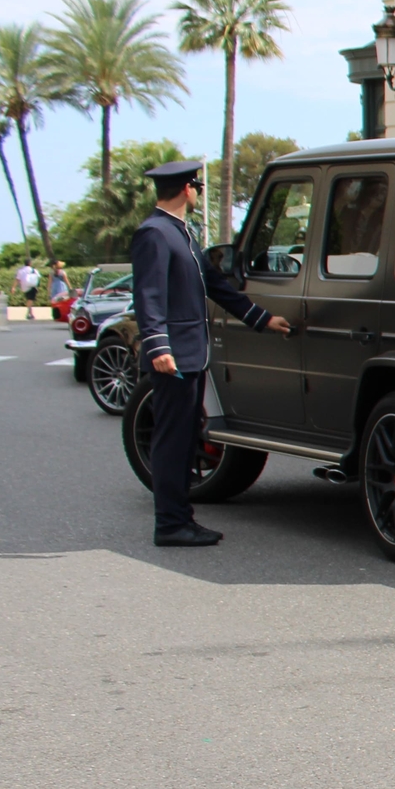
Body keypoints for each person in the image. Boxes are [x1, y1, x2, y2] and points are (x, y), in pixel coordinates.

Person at [129, 159, 291, 547]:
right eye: (197, 187)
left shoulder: (181, 233)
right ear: (187, 189)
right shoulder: (154, 233)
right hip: (173, 356)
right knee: (172, 441)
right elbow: (148, 297)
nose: (199, 193)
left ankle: (180, 518)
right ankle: (169, 524)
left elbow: (214, 285)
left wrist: (260, 318)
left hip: (190, 354)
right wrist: (157, 346)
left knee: (186, 439)